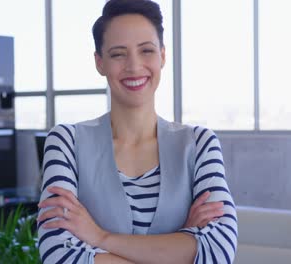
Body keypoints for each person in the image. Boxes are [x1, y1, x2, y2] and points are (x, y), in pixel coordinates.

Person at [36, 0, 238, 263]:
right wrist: (180, 244)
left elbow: (219, 251)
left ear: (163, 56)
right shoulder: (66, 142)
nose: (133, 66)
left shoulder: (199, 143)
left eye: (146, 50)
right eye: (118, 54)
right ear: (100, 63)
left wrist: (99, 237)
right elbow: (58, 254)